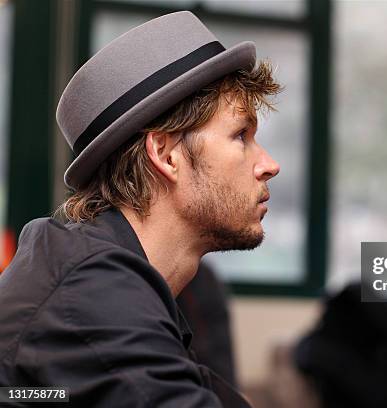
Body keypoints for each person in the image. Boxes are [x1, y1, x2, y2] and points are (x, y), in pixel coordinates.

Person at [0, 11, 280, 407]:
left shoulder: (111, 275)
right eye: (240, 135)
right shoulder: (92, 288)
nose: (269, 163)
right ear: (165, 154)